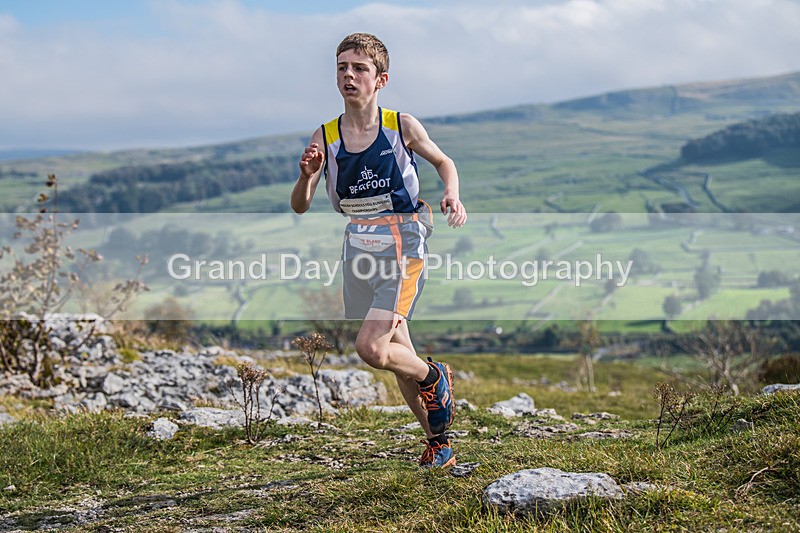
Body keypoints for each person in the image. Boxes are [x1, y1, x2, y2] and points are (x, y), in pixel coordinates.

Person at [290, 33, 467, 468]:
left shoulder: (400, 126)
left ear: (381, 79)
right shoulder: (325, 135)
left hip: (404, 243)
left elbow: (444, 162)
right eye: (341, 68)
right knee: (396, 349)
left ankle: (434, 376)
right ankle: (438, 442)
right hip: (359, 248)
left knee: (371, 348)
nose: (348, 75)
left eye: (359, 68)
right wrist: (307, 175)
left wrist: (452, 193)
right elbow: (300, 205)